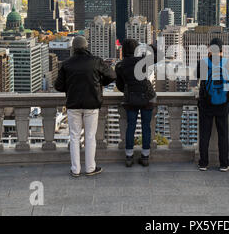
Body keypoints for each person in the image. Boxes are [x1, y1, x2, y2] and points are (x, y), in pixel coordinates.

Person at [54, 35, 116, 177]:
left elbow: (58, 85)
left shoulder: (66, 64)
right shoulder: (96, 62)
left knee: (74, 136)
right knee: (90, 136)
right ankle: (90, 168)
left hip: (73, 104)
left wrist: (70, 87)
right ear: (86, 47)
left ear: (73, 49)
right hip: (92, 103)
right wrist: (100, 84)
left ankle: (75, 169)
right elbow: (112, 75)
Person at [115, 39, 157, 167]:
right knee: (146, 126)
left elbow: (120, 85)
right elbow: (158, 56)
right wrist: (149, 47)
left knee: (130, 127)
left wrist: (129, 90)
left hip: (130, 99)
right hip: (147, 97)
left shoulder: (120, 66)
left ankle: (129, 157)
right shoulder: (142, 61)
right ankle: (145, 156)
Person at [196, 38, 229, 172]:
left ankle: (203, 163)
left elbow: (198, 76)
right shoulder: (227, 62)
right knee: (223, 134)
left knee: (204, 134)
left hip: (206, 102)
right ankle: (224, 163)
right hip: (223, 103)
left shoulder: (203, 63)